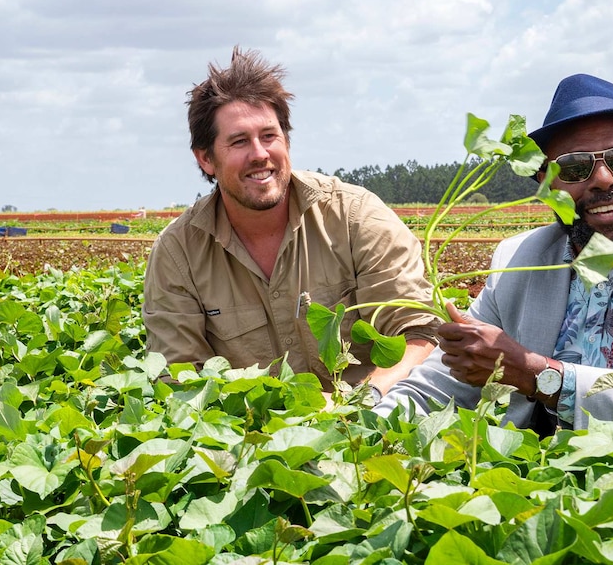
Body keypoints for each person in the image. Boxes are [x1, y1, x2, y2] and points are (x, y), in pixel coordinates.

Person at [375, 73, 613, 437]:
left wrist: (536, 374)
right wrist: (358, 429)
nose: (603, 179)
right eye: (574, 168)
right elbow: (437, 386)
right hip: (542, 483)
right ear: (544, 183)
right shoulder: (518, 260)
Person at [142, 46, 440, 396]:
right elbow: (180, 378)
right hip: (251, 441)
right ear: (206, 159)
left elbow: (419, 336)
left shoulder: (355, 217)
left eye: (269, 136)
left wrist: (359, 402)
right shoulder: (180, 253)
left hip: (372, 428)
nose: (259, 154)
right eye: (239, 141)